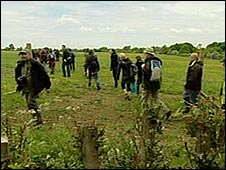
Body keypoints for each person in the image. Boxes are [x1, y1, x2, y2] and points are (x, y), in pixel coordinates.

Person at [15, 49, 51, 126]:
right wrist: (19, 81)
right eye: (21, 54)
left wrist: (48, 86)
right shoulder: (20, 65)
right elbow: (17, 76)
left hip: (35, 87)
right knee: (29, 103)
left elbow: (44, 75)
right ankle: (35, 118)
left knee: (31, 101)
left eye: (25, 54)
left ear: (29, 55)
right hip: (26, 87)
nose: (23, 56)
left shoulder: (36, 64)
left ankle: (39, 120)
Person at [141, 48, 171, 119]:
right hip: (156, 83)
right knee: (156, 99)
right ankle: (166, 110)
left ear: (148, 54)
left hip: (148, 83)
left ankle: (144, 112)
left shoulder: (148, 61)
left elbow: (147, 72)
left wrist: (143, 69)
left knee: (144, 98)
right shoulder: (158, 61)